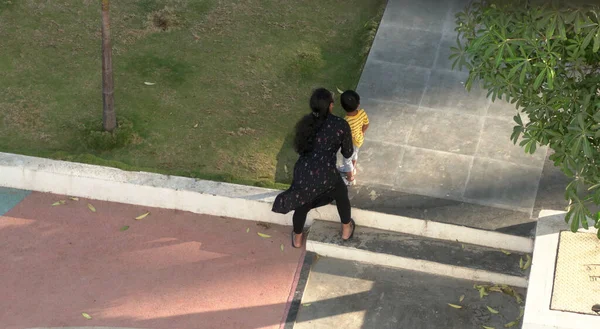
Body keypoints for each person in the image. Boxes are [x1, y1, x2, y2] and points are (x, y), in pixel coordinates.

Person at [272, 88, 356, 248]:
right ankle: (346, 228)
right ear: (331, 106)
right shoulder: (340, 125)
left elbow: (299, 147)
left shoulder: (305, 123)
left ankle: (297, 238)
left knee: (302, 202)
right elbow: (348, 152)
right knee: (341, 193)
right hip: (326, 173)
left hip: (303, 173)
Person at [339, 90, 369, 185]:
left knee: (346, 160)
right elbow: (366, 124)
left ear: (343, 107)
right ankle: (353, 168)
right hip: (359, 140)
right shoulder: (362, 113)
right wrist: (362, 132)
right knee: (355, 154)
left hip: (350, 144)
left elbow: (344, 135)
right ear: (358, 104)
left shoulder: (346, 121)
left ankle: (350, 178)